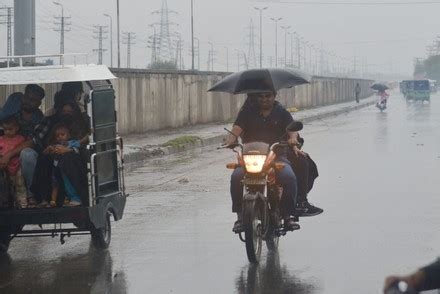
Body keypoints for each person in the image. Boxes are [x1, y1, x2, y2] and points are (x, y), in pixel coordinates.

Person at [224, 91, 302, 232]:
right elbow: (236, 129)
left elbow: (292, 130)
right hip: (250, 157)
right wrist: (230, 139)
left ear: (274, 96)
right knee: (236, 177)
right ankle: (240, 218)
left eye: (268, 96)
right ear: (256, 97)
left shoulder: (282, 112)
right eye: (261, 96)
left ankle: (287, 215)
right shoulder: (247, 112)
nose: (264, 99)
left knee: (289, 177)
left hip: (276, 156)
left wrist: (292, 138)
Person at [31, 92, 90, 207]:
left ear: (75, 112)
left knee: (67, 159)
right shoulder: (56, 125)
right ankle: (43, 198)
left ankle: (77, 197)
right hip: (57, 159)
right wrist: (51, 149)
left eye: (70, 112)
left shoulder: (82, 125)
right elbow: (48, 141)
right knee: (44, 158)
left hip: (77, 159)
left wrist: (70, 150)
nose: (66, 114)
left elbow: (86, 145)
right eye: (64, 112)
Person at [0, 84, 45, 207]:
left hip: (24, 156)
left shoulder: (40, 119)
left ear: (39, 103)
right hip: (5, 151)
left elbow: (32, 142)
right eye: (26, 98)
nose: (28, 102)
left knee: (27, 154)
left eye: (33, 100)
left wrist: (8, 155)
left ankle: (31, 194)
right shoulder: (12, 111)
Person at [44, 122, 82, 207]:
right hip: (59, 170)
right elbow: (47, 153)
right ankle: (58, 200)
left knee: (70, 183)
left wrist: (67, 150)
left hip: (69, 169)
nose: (60, 137)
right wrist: (50, 149)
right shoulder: (56, 146)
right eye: (57, 136)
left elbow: (79, 149)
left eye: (62, 134)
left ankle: (76, 198)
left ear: (68, 135)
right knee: (61, 185)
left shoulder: (72, 143)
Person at [0, 117, 27, 208]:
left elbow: (23, 149)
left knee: (20, 183)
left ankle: (23, 203)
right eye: (5, 129)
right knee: (8, 184)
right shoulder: (1, 140)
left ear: (17, 128)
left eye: (10, 129)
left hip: (18, 165)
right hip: (5, 167)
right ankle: (9, 203)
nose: (7, 132)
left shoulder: (21, 139)